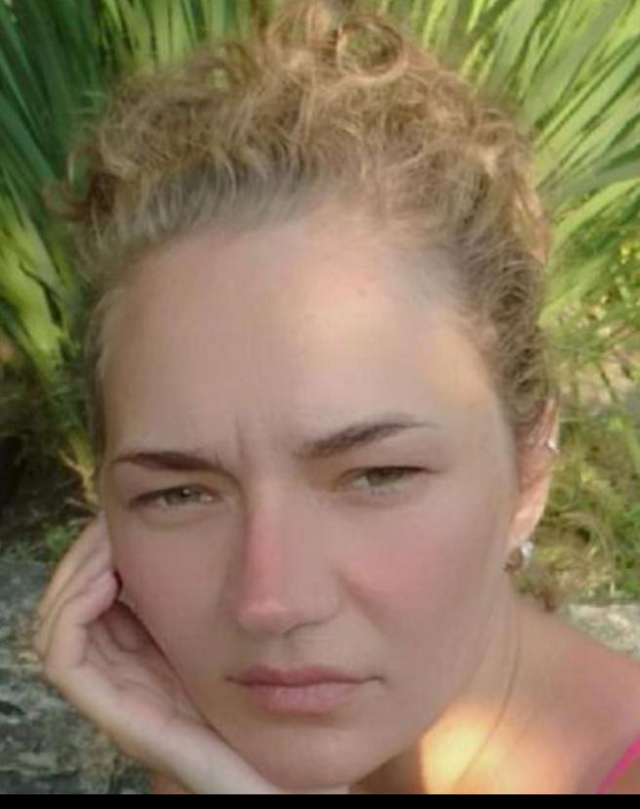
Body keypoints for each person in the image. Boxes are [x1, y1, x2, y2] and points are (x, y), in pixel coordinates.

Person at [31, 0, 640, 794]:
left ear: (528, 471)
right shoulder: (211, 746)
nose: (270, 600)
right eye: (179, 492)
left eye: (377, 475)